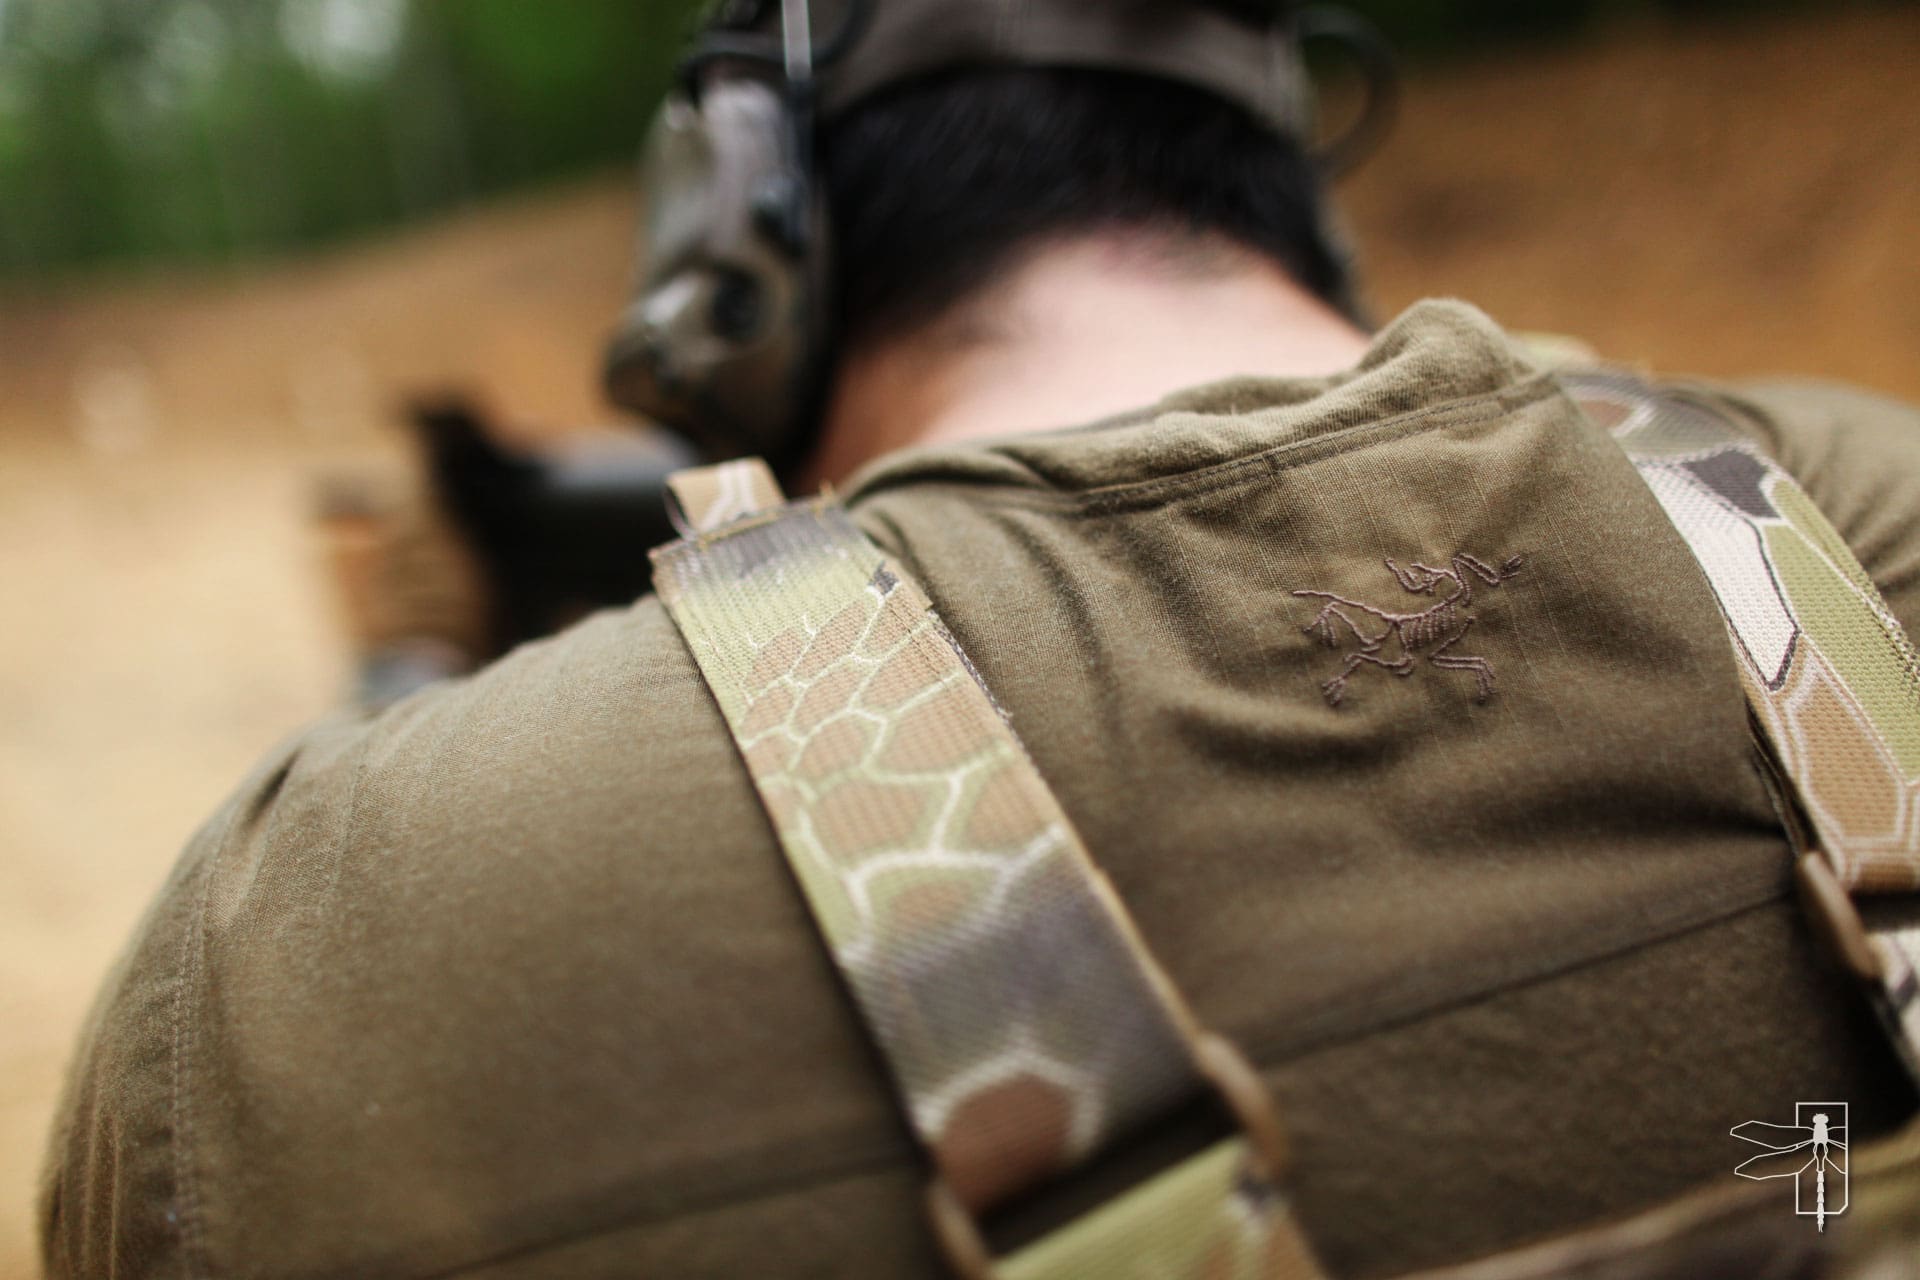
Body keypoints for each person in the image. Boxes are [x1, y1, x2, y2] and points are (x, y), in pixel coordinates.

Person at [39, 1, 1920, 1276]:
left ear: (737, 228)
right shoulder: (1864, 500)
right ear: (1284, 155)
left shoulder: (288, 953)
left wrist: (411, 694)